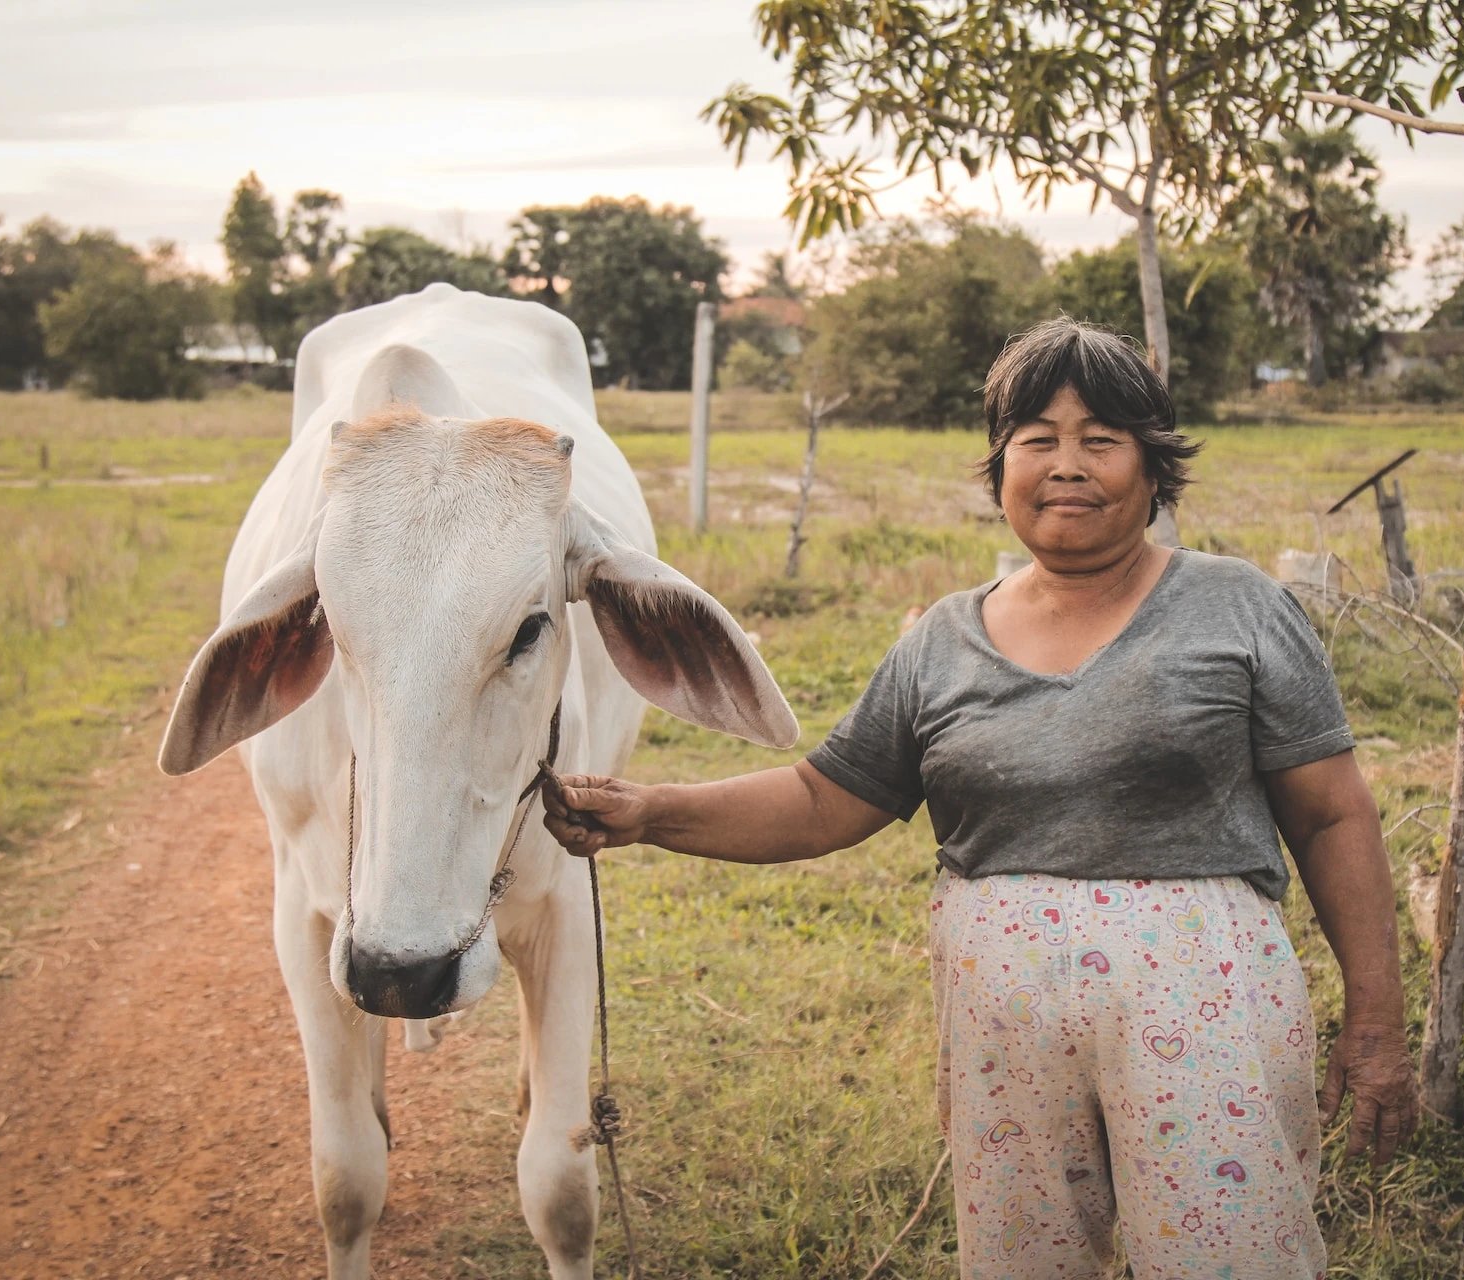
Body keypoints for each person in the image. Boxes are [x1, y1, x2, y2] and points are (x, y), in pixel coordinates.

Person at [541, 317, 1416, 1279]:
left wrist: (1375, 1026)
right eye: (1037, 440)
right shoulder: (942, 641)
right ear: (1000, 470)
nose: (1067, 466)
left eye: (1101, 440)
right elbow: (822, 801)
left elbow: (1333, 814)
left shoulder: (1238, 605)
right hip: (1001, 1026)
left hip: (1207, 1008)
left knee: (1233, 1258)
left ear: (1154, 468)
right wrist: (651, 811)